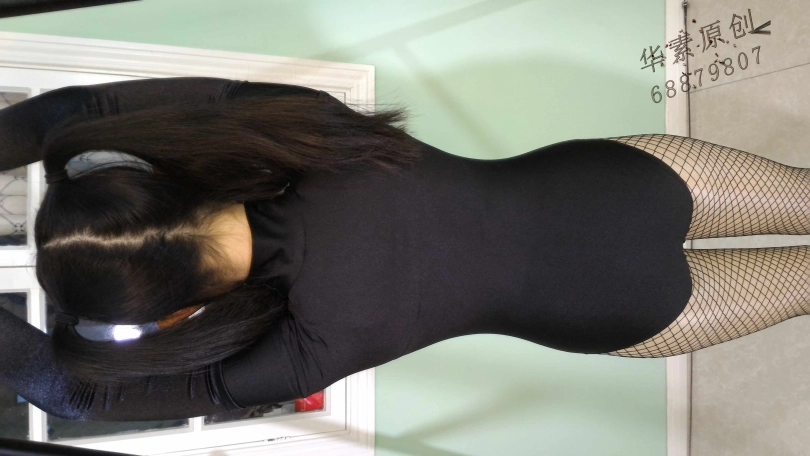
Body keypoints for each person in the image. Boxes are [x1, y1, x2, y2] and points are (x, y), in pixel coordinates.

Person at [0, 77, 807, 422]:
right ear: (155, 174)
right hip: (612, 184)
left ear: (172, 311)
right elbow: (75, 113)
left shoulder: (304, 350)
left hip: (617, 309)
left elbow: (75, 396)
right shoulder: (306, 132)